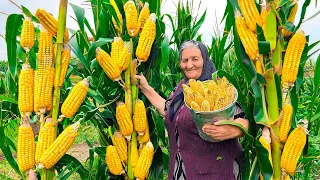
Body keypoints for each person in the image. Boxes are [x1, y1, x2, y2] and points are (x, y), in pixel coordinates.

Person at [135, 40, 249, 180]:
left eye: (195, 59)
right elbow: (168, 110)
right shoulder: (183, 88)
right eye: (185, 60)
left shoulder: (217, 86)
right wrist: (145, 88)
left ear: (205, 59)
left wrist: (233, 130)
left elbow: (244, 121)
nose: (189, 65)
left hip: (214, 171)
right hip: (183, 169)